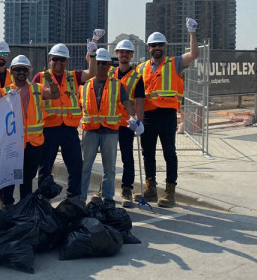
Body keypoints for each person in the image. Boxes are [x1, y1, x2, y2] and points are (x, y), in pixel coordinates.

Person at [136, 18, 199, 207]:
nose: (157, 48)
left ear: (165, 47)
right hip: (147, 116)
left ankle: (170, 191)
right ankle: (151, 188)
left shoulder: (175, 63)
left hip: (166, 115)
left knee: (169, 153)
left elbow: (194, 54)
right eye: (153, 45)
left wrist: (192, 33)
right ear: (148, 48)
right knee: (147, 153)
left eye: (160, 45)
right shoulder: (141, 67)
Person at [32, 35, 99, 198]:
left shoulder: (73, 76)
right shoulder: (40, 77)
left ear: (67, 61)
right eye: (56, 59)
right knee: (46, 167)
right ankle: (43, 199)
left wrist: (93, 55)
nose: (59, 63)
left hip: (69, 129)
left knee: (76, 165)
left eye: (62, 60)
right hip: (49, 129)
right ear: (50, 59)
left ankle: (73, 198)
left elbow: (92, 73)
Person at [79, 48, 141, 202]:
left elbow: (127, 101)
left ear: (109, 65)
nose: (101, 66)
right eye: (98, 63)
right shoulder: (85, 85)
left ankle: (108, 198)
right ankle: (80, 198)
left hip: (110, 131)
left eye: (104, 63)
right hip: (90, 131)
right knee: (85, 166)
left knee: (110, 168)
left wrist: (132, 117)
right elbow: (78, 106)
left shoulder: (117, 84)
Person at [0, 55, 59, 207]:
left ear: (29, 71)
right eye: (18, 69)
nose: (21, 72)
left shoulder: (37, 89)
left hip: (33, 143)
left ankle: (26, 206)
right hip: (12, 143)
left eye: (24, 69)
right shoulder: (4, 92)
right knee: (10, 177)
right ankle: (7, 206)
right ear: (12, 71)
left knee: (27, 178)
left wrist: (50, 80)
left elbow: (55, 94)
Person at [111, 39, 146, 207]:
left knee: (127, 157)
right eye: (121, 52)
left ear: (132, 55)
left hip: (126, 123)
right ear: (117, 54)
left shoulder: (137, 77)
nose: (123, 54)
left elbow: (139, 102)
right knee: (108, 157)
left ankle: (127, 189)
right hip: (109, 121)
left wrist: (139, 122)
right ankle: (105, 187)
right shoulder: (110, 73)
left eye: (127, 52)